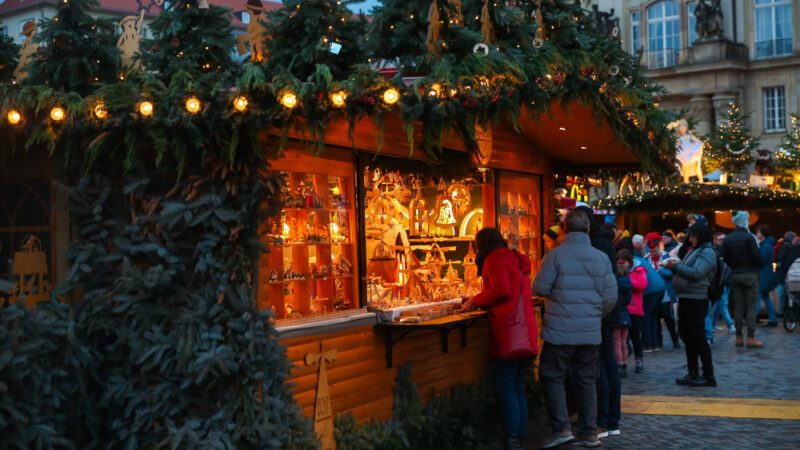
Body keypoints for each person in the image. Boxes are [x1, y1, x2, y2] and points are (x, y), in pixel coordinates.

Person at [535, 210, 617, 448]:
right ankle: (590, 432)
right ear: (588, 230)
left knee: (552, 375)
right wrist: (592, 315)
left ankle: (562, 428)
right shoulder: (601, 257)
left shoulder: (555, 256)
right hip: (590, 332)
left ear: (565, 230)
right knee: (587, 380)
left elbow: (540, 287)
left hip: (559, 331)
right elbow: (610, 297)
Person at [460, 228, 538, 450]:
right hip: (524, 329)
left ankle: (513, 437)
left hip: (509, 329)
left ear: (480, 245)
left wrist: (476, 300)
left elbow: (501, 289)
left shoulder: (493, 258)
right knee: (517, 385)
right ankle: (520, 434)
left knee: (506, 386)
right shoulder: (512, 256)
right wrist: (477, 298)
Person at [665, 222, 717, 387]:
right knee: (688, 337)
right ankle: (692, 372)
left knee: (699, 337)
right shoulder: (694, 250)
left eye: (693, 236)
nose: (690, 239)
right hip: (686, 297)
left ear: (700, 236)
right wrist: (675, 268)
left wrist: (677, 267)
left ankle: (708, 376)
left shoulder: (707, 252)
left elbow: (697, 273)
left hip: (696, 298)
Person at [722, 211, 763, 348]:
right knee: (751, 306)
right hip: (750, 274)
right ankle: (751, 338)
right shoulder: (750, 237)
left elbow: (724, 258)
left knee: (737, 306)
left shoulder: (727, 239)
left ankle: (739, 337)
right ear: (745, 221)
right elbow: (757, 257)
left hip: (735, 275)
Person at [633, 244, 667, 352]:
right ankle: (654, 344)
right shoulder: (639, 259)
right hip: (660, 287)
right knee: (653, 316)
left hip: (651, 290)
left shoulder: (633, 262)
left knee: (646, 317)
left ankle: (647, 344)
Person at [620, 249, 648, 372]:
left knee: (636, 336)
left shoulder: (638, 270)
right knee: (622, 339)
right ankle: (622, 362)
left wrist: (626, 280)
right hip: (623, 310)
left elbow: (642, 285)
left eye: (624, 261)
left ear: (630, 262)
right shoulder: (618, 273)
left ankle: (639, 360)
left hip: (635, 309)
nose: (622, 264)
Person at [711, 232, 735, 334]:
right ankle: (730, 325)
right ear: (715, 240)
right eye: (720, 239)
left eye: (724, 239)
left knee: (719, 304)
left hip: (726, 280)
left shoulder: (725, 249)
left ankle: (713, 324)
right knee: (723, 304)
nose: (723, 241)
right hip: (722, 281)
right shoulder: (716, 250)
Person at [613, 258, 633, 378]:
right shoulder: (628, 282)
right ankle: (624, 362)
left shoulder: (616, 284)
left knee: (616, 342)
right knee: (623, 342)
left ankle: (619, 364)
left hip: (617, 313)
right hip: (626, 313)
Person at [755, 225, 778, 327]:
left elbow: (761, 261)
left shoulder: (765, 246)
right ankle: (773, 319)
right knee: (766, 298)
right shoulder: (768, 245)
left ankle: (752, 319)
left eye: (758, 232)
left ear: (763, 234)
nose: (757, 234)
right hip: (766, 276)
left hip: (762, 276)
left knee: (757, 299)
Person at [775, 232, 796, 317]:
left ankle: (780, 311)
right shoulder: (788, 245)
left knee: (781, 294)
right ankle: (787, 311)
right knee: (788, 294)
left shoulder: (782, 245)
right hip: (786, 273)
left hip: (781, 273)